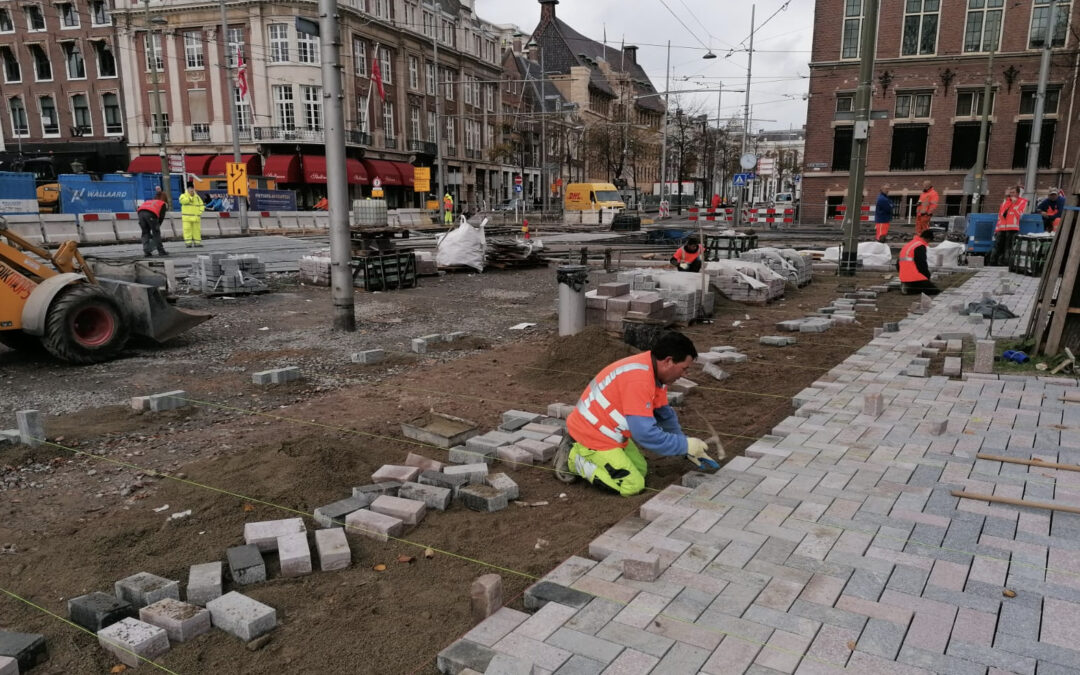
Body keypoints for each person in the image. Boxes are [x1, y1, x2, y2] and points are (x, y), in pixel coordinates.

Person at [559, 332, 715, 496]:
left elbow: (664, 415)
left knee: (641, 469)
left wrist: (684, 445)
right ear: (668, 361)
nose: (685, 374)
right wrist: (684, 445)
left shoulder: (654, 373)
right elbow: (645, 434)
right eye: (684, 369)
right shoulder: (639, 380)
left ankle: (583, 453)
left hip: (610, 433)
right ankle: (573, 458)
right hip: (591, 435)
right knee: (632, 485)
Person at [897, 228, 940, 296]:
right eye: (929, 241)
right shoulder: (920, 246)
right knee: (935, 291)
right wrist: (927, 277)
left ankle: (907, 285)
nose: (928, 243)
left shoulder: (911, 244)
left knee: (926, 286)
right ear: (928, 238)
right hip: (914, 276)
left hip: (904, 276)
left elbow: (898, 263)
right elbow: (922, 264)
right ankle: (909, 289)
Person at [988, 186, 1024, 266]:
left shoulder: (1022, 202)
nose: (1012, 194)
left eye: (1013, 192)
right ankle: (993, 263)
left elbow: (1020, 215)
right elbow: (1000, 216)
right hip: (1002, 228)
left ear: (1018, 193)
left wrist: (1014, 205)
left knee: (1009, 247)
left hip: (1012, 228)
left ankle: (1006, 264)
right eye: (1011, 193)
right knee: (997, 246)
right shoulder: (1005, 202)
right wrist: (997, 229)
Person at [137, 192, 168, 257]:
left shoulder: (150, 201)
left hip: (140, 213)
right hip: (151, 214)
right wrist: (157, 227)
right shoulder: (163, 204)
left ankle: (146, 252)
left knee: (145, 233)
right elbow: (161, 218)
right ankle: (161, 251)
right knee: (156, 233)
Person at [179, 182, 205, 248]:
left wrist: (200, 212)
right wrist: (190, 197)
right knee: (187, 230)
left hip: (196, 217)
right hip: (187, 218)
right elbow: (182, 201)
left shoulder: (197, 197)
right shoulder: (183, 195)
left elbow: (202, 205)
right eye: (190, 188)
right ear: (187, 189)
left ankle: (197, 243)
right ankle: (188, 243)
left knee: (197, 230)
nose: (191, 190)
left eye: (192, 188)